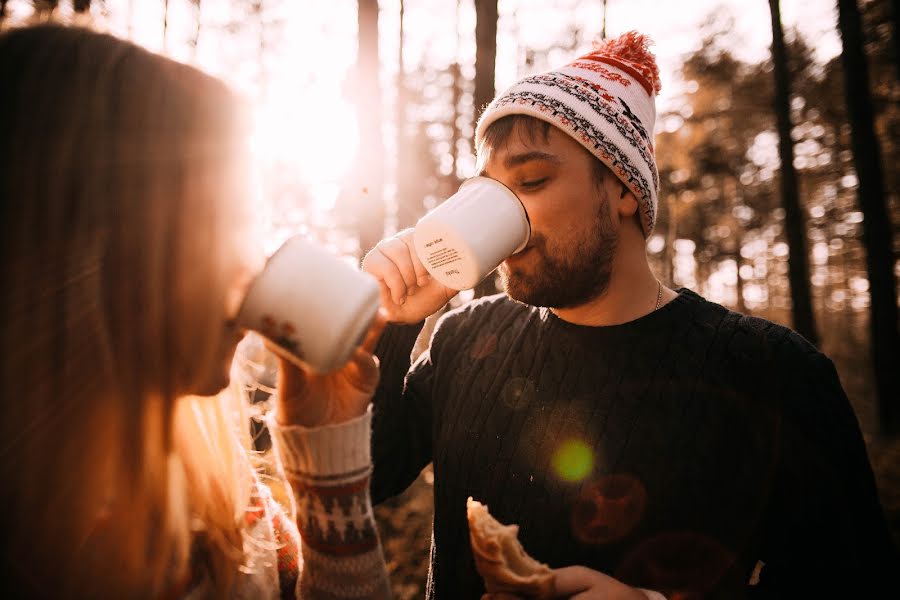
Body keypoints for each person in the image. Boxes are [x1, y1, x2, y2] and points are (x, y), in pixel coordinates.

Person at [362, 30, 899, 598]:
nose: (503, 215)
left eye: (533, 181)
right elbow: (369, 474)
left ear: (623, 189)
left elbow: (853, 580)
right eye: (487, 189)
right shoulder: (465, 340)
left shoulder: (773, 372)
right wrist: (387, 322)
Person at [0, 24, 391, 599]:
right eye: (226, 223)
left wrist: (327, 471)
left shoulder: (228, 510)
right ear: (96, 246)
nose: (251, 265)